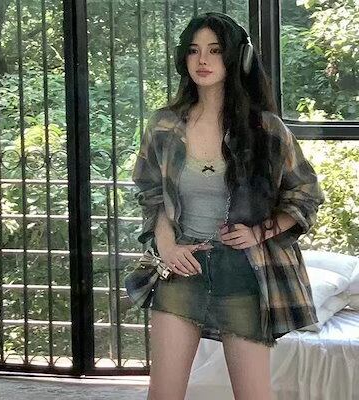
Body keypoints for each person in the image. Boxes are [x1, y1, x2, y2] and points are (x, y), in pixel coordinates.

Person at [132, 12, 324, 400]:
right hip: (182, 269)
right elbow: (151, 194)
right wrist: (166, 244)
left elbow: (306, 193)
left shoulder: (267, 129)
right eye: (194, 50)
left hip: (244, 275)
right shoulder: (164, 126)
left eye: (215, 50)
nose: (202, 60)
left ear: (236, 57)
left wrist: (260, 231)